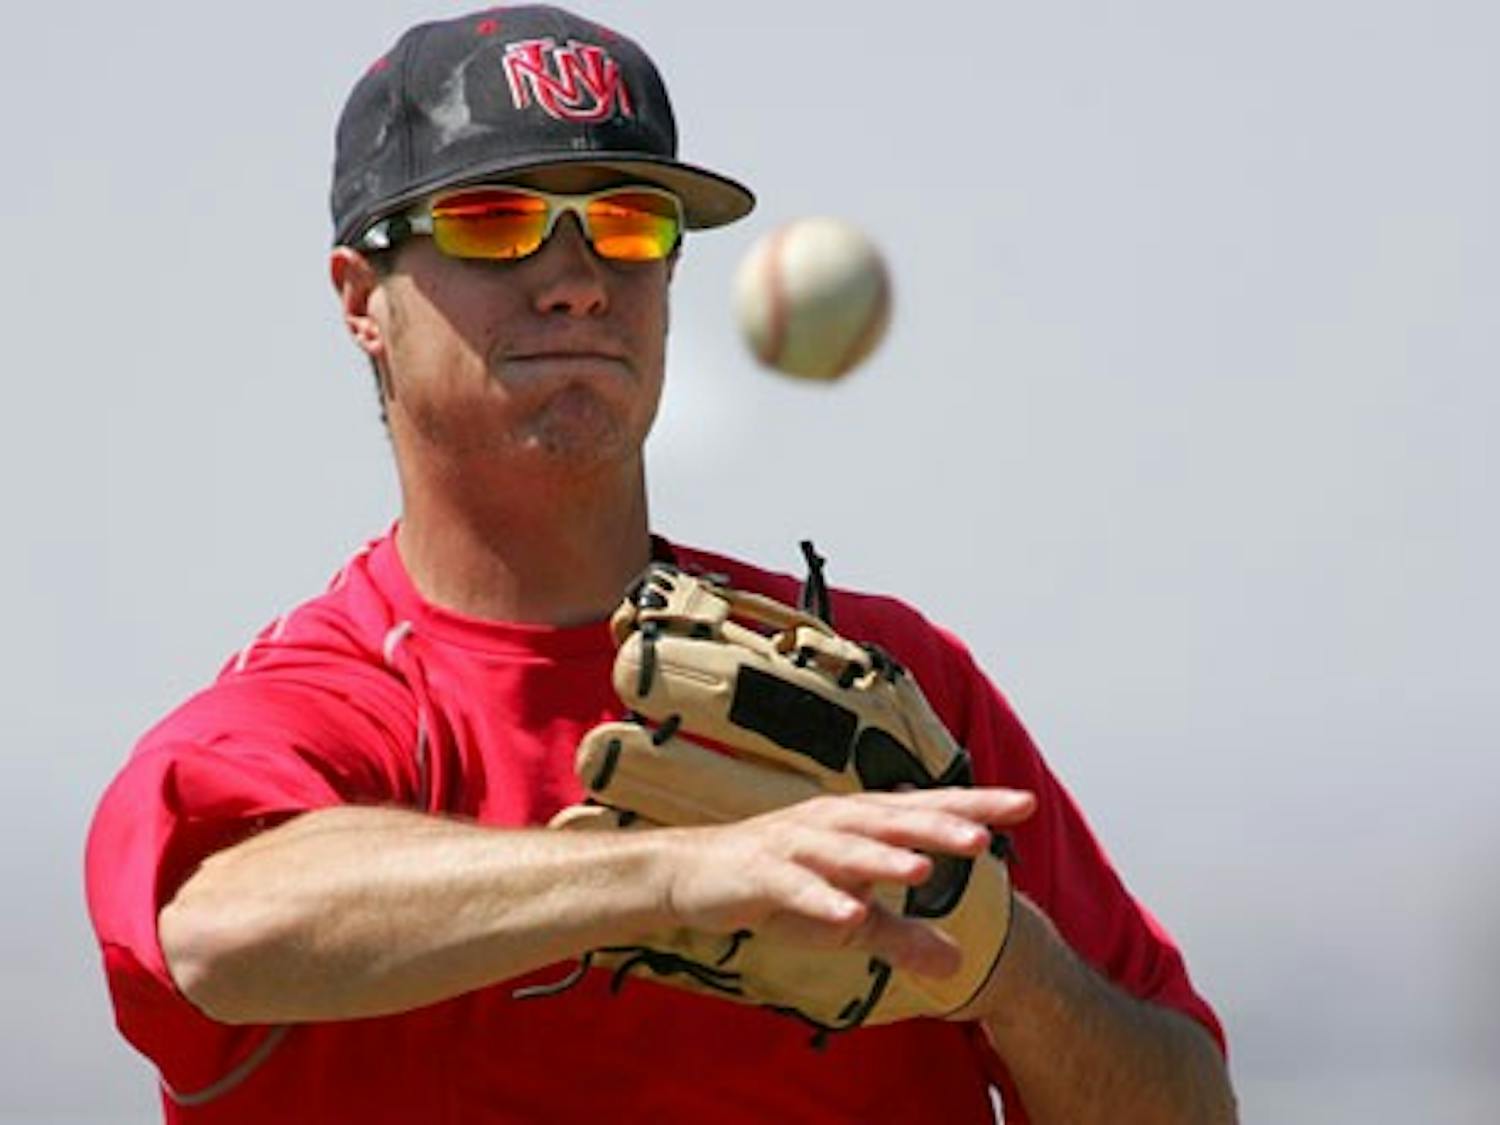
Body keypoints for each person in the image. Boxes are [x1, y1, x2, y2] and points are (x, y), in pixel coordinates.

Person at [86, 6, 1236, 1122]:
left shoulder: (882, 680)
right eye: (496, 221)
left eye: (630, 224)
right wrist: (681, 876)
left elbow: (1187, 1104)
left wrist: (1010, 968)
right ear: (360, 301)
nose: (578, 276)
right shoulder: (328, 707)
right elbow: (215, 928)